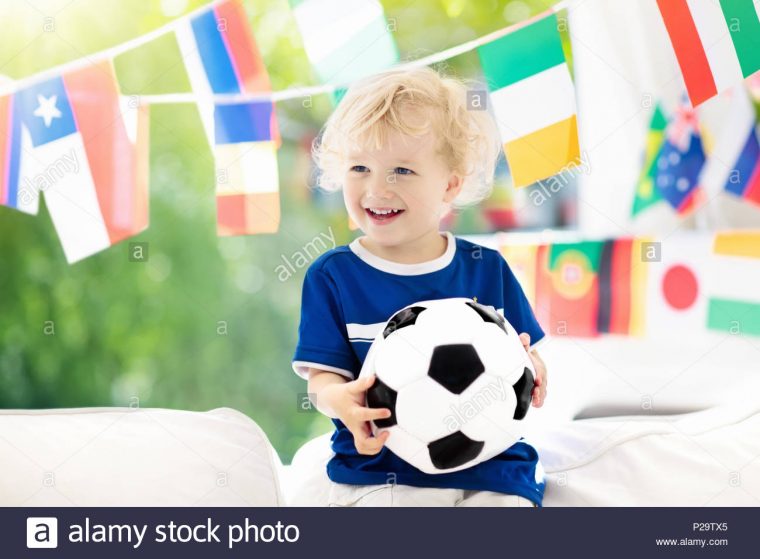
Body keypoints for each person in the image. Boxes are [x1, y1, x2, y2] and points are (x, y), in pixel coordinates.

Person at [291, 66, 548, 507]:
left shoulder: (484, 267)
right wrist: (341, 401)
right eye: (360, 167)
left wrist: (535, 370)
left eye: (402, 170)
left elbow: (529, 355)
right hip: (377, 466)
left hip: (494, 465)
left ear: (449, 184)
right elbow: (322, 380)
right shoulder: (332, 276)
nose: (377, 188)